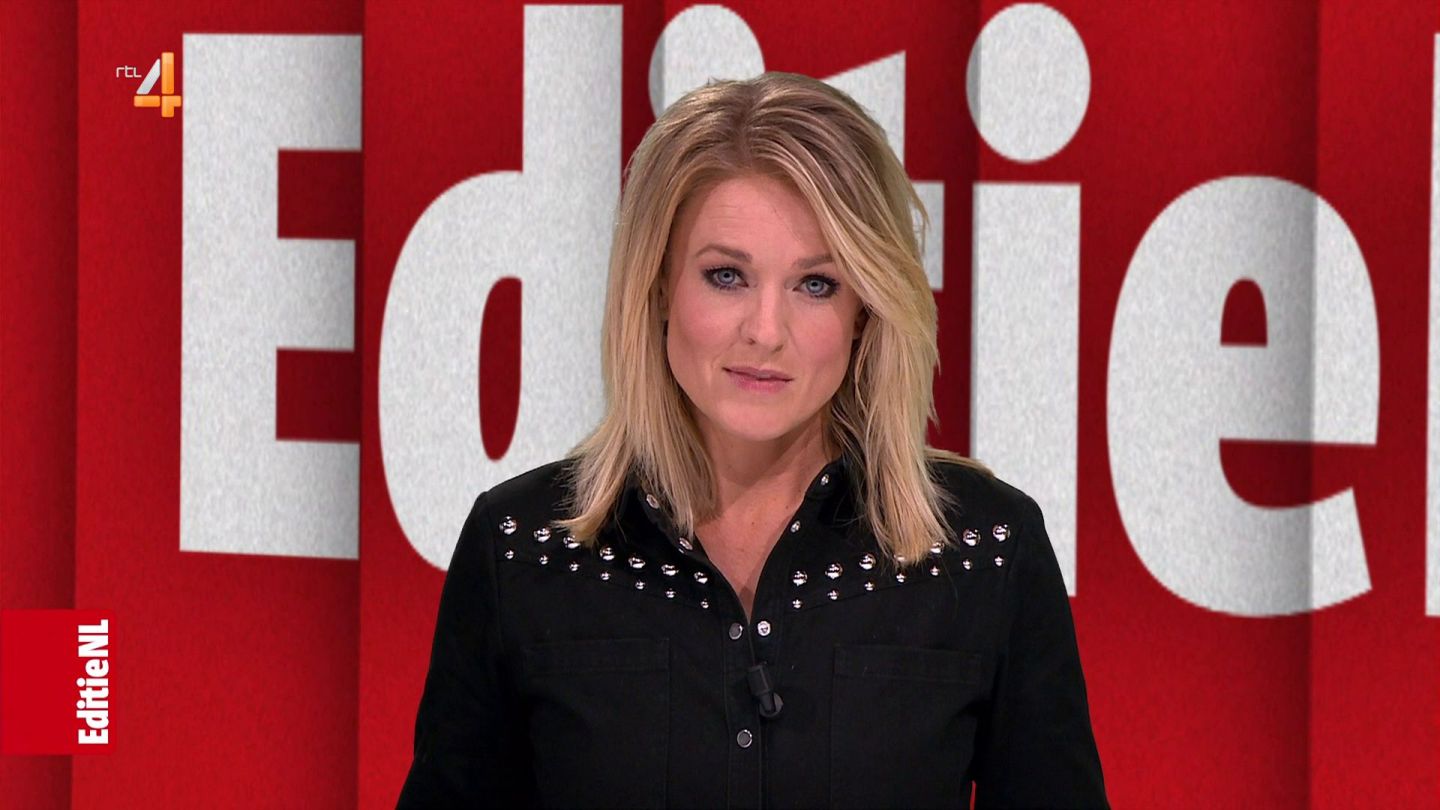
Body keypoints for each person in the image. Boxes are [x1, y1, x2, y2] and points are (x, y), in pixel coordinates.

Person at [396, 71, 1107, 809]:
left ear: (866, 312)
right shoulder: (522, 549)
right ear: (657, 289)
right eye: (727, 275)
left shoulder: (986, 550)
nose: (766, 331)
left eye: (816, 284)